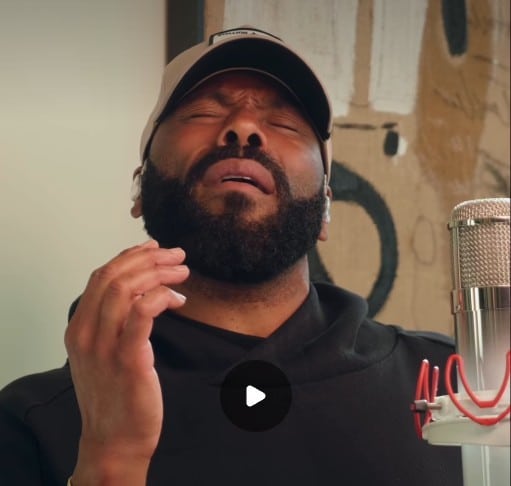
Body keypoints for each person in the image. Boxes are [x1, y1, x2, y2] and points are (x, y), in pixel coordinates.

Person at [0, 26, 462, 485]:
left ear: (325, 210)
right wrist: (110, 460)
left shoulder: (455, 384)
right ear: (140, 188)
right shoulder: (27, 425)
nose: (244, 127)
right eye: (202, 112)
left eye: (284, 123)